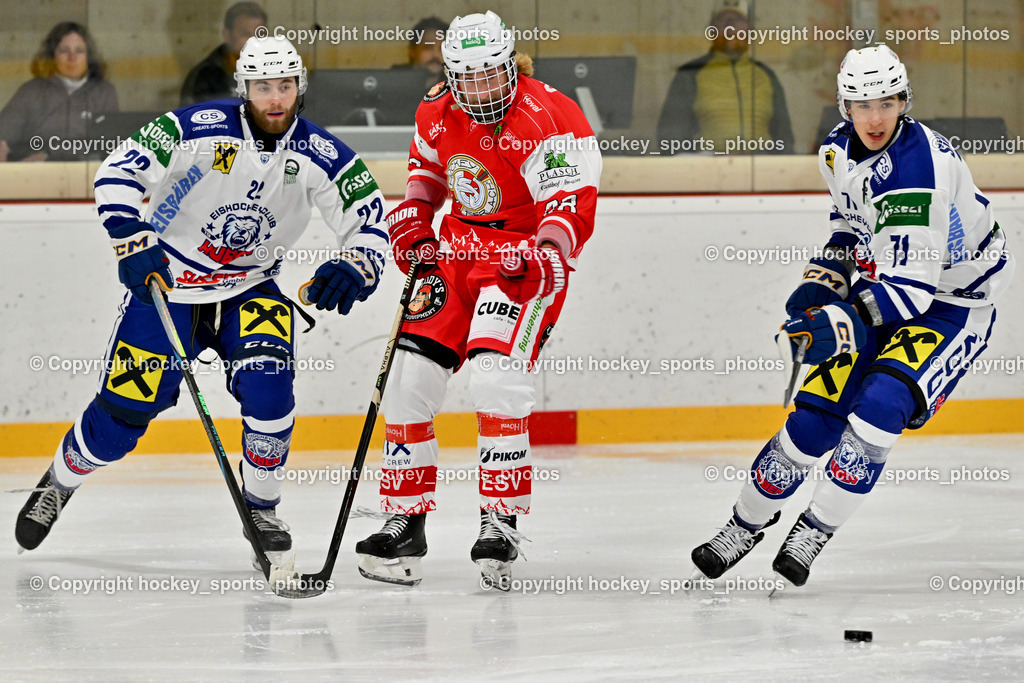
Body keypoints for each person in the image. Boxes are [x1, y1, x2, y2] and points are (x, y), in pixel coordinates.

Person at [15, 36, 389, 569]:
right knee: (121, 417)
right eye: (263, 87)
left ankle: (261, 508)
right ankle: (61, 479)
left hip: (250, 288)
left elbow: (371, 220)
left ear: (299, 88)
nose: (275, 99)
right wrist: (130, 237)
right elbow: (118, 171)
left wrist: (358, 263)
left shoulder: (319, 153)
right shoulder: (196, 127)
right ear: (244, 89)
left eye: (285, 86)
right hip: (168, 286)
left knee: (270, 388)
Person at [691, 45, 1014, 588]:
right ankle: (743, 524)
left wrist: (839, 320)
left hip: (952, 306)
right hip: (885, 286)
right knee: (810, 424)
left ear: (904, 101)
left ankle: (815, 528)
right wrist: (822, 283)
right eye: (861, 105)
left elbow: (913, 292)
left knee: (881, 407)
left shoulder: (917, 174)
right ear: (844, 106)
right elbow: (848, 228)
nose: (874, 118)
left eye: (886, 103)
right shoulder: (836, 153)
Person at [354, 10, 602, 589]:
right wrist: (413, 226)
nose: (481, 89)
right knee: (408, 382)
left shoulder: (548, 115)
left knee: (494, 381)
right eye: (468, 78)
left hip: (519, 266)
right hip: (456, 257)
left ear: (509, 64)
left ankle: (501, 521)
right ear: (451, 75)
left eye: (491, 74)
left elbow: (568, 201)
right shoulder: (435, 110)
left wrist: (548, 249)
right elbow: (426, 179)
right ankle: (404, 520)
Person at [656, 0, 793, 154]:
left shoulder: (766, 75)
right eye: (723, 20)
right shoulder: (690, 74)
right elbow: (670, 140)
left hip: (762, 171)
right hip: (708, 171)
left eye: (738, 20)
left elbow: (784, 139)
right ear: (712, 30)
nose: (730, 26)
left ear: (750, 30)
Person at [0, 21, 118, 162]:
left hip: (88, 176)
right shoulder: (31, 91)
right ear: (52, 56)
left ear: (89, 57)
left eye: (79, 51)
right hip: (37, 176)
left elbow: (110, 145)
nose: (72, 58)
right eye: (64, 51)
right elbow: (5, 134)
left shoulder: (103, 92)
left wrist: (49, 155)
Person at [180, 1, 267, 107]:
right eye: (246, 34)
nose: (254, 41)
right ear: (227, 35)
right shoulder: (205, 77)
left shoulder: (276, 69)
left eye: (260, 34)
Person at [392, 16, 448, 94]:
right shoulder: (394, 81)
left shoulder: (453, 88)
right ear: (412, 50)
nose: (436, 54)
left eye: (441, 49)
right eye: (428, 47)